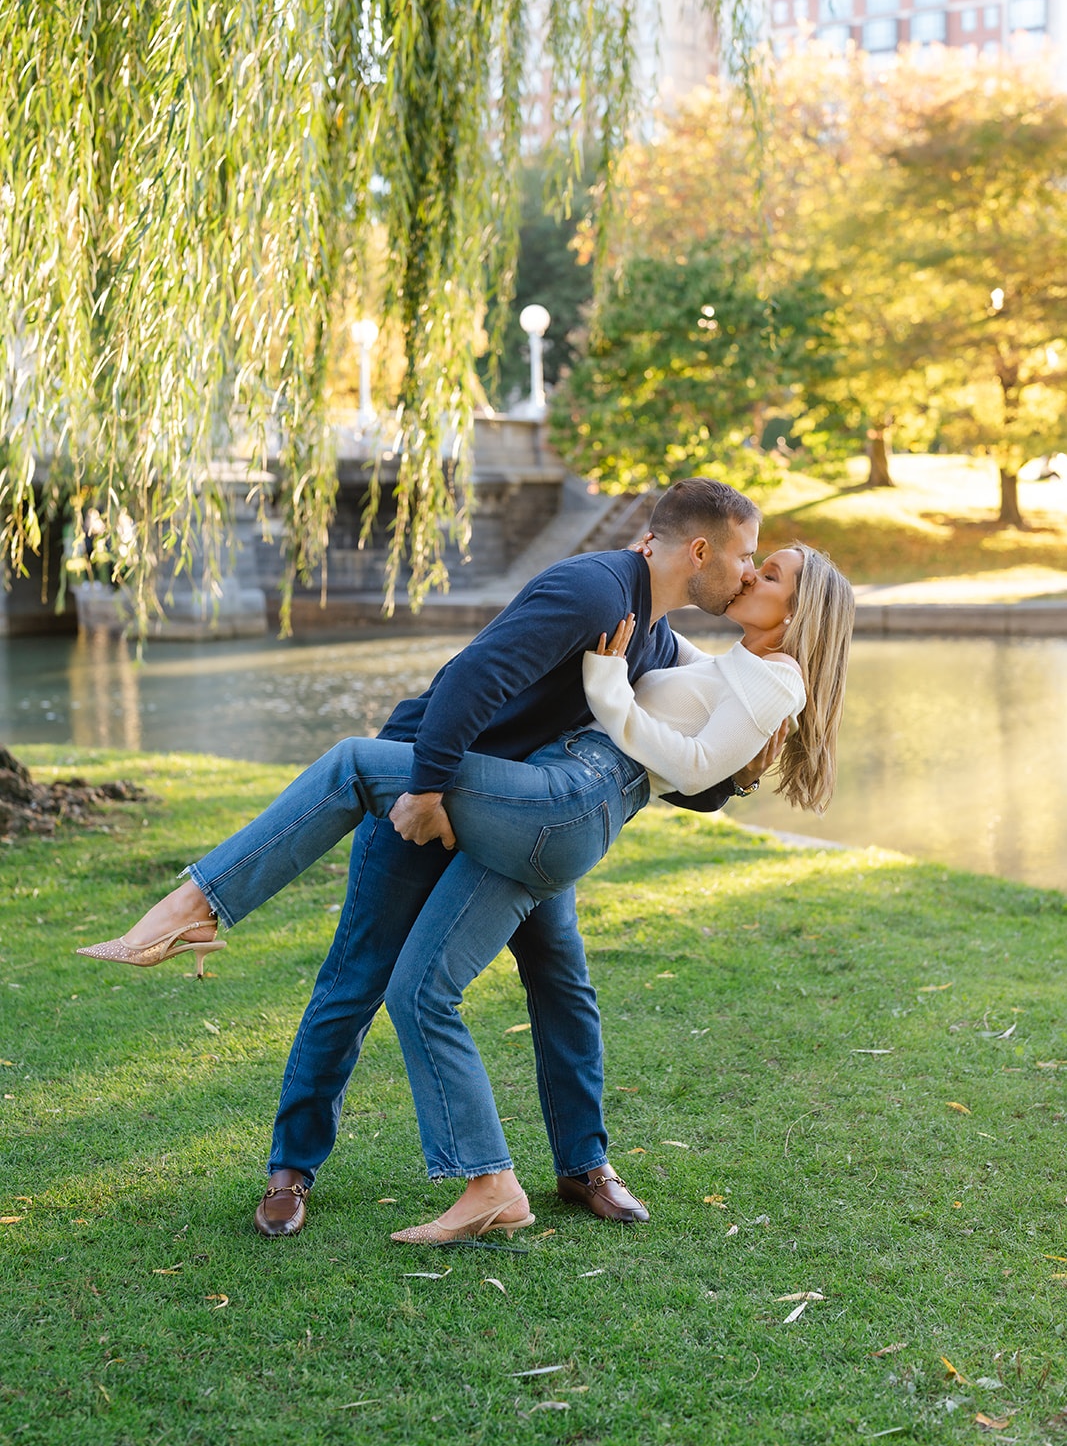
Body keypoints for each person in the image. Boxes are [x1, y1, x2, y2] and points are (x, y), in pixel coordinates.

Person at [79, 481, 822, 1238]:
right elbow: (473, 678)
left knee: (561, 985)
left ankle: (584, 1166)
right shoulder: (592, 590)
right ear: (700, 551)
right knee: (354, 981)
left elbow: (657, 759)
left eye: (761, 566)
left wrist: (735, 776)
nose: (745, 572)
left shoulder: (655, 637)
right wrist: (427, 789)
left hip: (516, 811)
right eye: (744, 556)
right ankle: (291, 1171)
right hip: (422, 793)